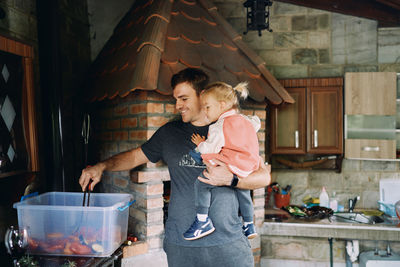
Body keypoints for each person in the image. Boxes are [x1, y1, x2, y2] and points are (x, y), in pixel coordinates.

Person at [79, 68, 271, 267]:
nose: (178, 105)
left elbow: (263, 177)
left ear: (202, 96)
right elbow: (136, 155)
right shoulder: (169, 134)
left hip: (229, 245)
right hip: (182, 244)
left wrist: (232, 180)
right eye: (176, 99)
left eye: (184, 99)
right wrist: (101, 166)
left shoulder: (232, 127)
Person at [183, 81, 261, 241]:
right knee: (244, 191)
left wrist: (200, 143)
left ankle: (203, 221)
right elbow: (256, 123)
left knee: (201, 183)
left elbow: (209, 149)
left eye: (207, 107)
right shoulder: (246, 120)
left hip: (231, 165)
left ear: (222, 105)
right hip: (248, 166)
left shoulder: (219, 126)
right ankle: (249, 224)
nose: (204, 111)